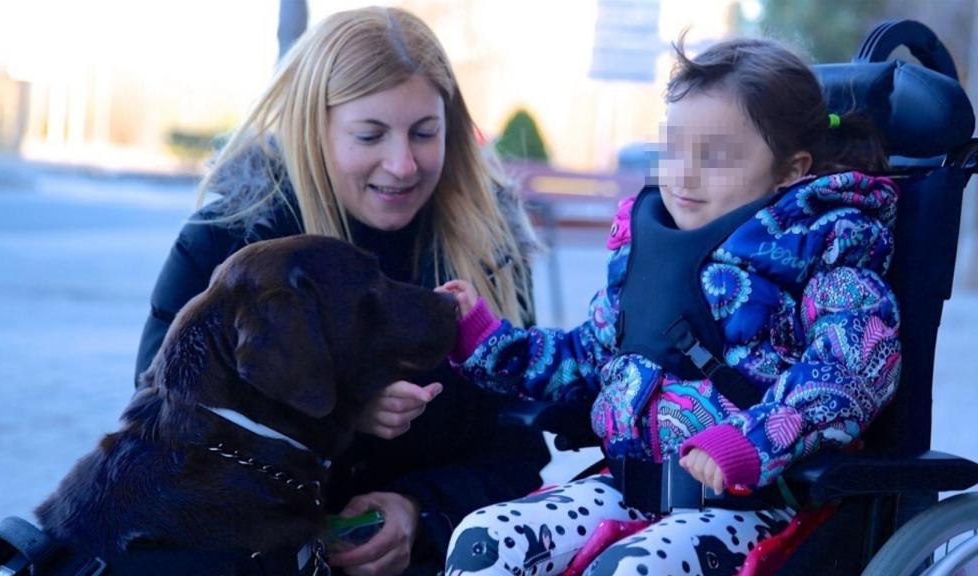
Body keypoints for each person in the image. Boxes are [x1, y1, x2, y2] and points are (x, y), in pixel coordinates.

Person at [441, 37, 901, 576]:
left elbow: (853, 371)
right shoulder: (645, 246)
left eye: (716, 157)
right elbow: (588, 357)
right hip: (630, 486)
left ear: (790, 170)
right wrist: (486, 340)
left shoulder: (828, 247)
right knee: (486, 540)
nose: (684, 173)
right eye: (675, 147)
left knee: (631, 568)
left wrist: (751, 439)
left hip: (753, 502)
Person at [133, 7, 550, 575]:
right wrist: (341, 413)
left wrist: (419, 512)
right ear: (314, 126)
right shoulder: (232, 236)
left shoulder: (490, 248)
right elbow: (166, 426)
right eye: (370, 135)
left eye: (425, 133)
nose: (402, 164)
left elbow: (518, 445)